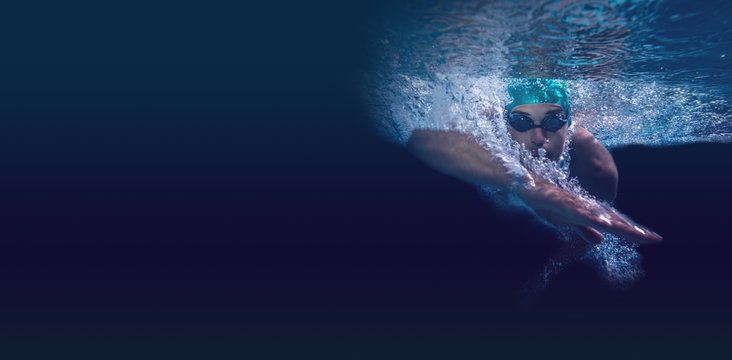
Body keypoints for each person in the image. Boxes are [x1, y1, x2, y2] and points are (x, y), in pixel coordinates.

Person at [405, 78, 662, 246]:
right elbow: (419, 141)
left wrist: (545, 278)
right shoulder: (492, 131)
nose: (538, 137)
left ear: (569, 124)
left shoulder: (596, 166)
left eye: (553, 121)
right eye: (521, 122)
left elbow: (587, 238)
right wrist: (527, 183)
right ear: (506, 124)